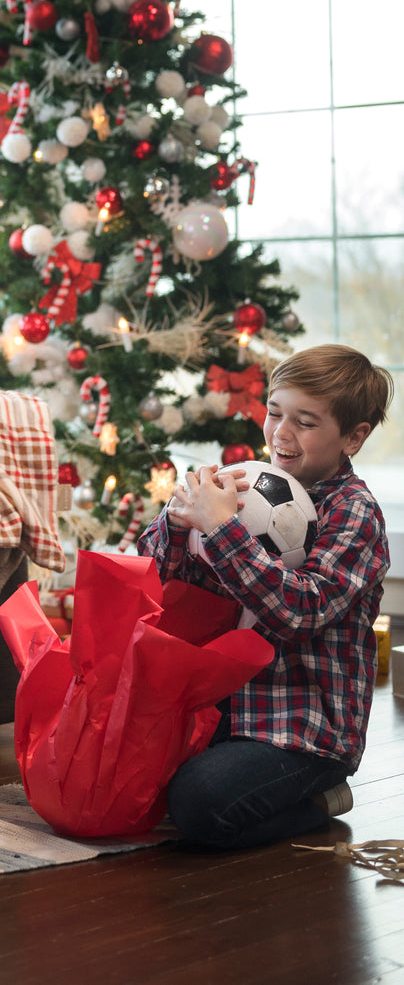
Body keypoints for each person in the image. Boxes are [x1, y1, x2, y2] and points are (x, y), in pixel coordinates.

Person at [138, 343, 391, 851]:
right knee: (131, 768)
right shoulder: (246, 484)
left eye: (306, 421)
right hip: (221, 703)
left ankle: (320, 800)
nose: (281, 433)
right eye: (274, 412)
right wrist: (180, 518)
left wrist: (223, 529)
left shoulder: (355, 512)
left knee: (200, 801)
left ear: (354, 437)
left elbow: (301, 611)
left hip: (301, 729)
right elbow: (153, 572)